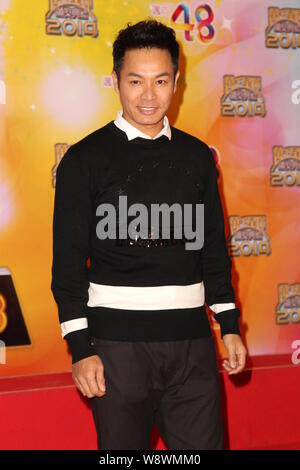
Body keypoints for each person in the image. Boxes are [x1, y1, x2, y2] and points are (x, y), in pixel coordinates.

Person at [51, 18, 247, 450]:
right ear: (117, 81)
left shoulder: (197, 157)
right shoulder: (84, 160)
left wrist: (228, 324)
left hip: (193, 347)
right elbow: (67, 268)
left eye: (160, 81)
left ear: (176, 81)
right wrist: (81, 349)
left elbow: (213, 251)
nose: (148, 95)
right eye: (135, 81)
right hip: (117, 351)